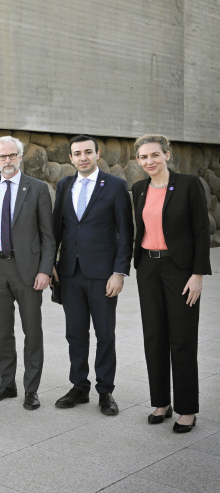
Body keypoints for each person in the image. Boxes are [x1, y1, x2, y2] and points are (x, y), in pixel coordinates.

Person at [131, 134, 211, 433]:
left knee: (182, 339)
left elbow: (201, 231)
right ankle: (161, 402)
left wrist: (197, 274)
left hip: (180, 270)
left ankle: (187, 409)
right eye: (143, 157)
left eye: (154, 155)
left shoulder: (188, 184)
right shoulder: (138, 189)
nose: (149, 161)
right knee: (154, 336)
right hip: (148, 269)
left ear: (167, 154)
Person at [52, 135, 133, 416]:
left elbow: (126, 233)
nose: (83, 157)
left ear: (97, 154)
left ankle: (105, 391)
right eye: (77, 153)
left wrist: (119, 272)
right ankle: (79, 387)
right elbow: (56, 229)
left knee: (105, 334)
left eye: (88, 152)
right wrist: (50, 264)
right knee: (75, 334)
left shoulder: (114, 186)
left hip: (102, 275)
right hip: (70, 274)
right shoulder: (64, 185)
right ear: (71, 158)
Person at [0, 136, 55, 410]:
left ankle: (31, 390)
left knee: (32, 331)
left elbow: (48, 235)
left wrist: (45, 270)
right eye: (2, 157)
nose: (7, 161)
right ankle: (6, 384)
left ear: (20, 157)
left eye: (12, 155)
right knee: (2, 331)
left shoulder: (37, 188)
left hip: (29, 272)